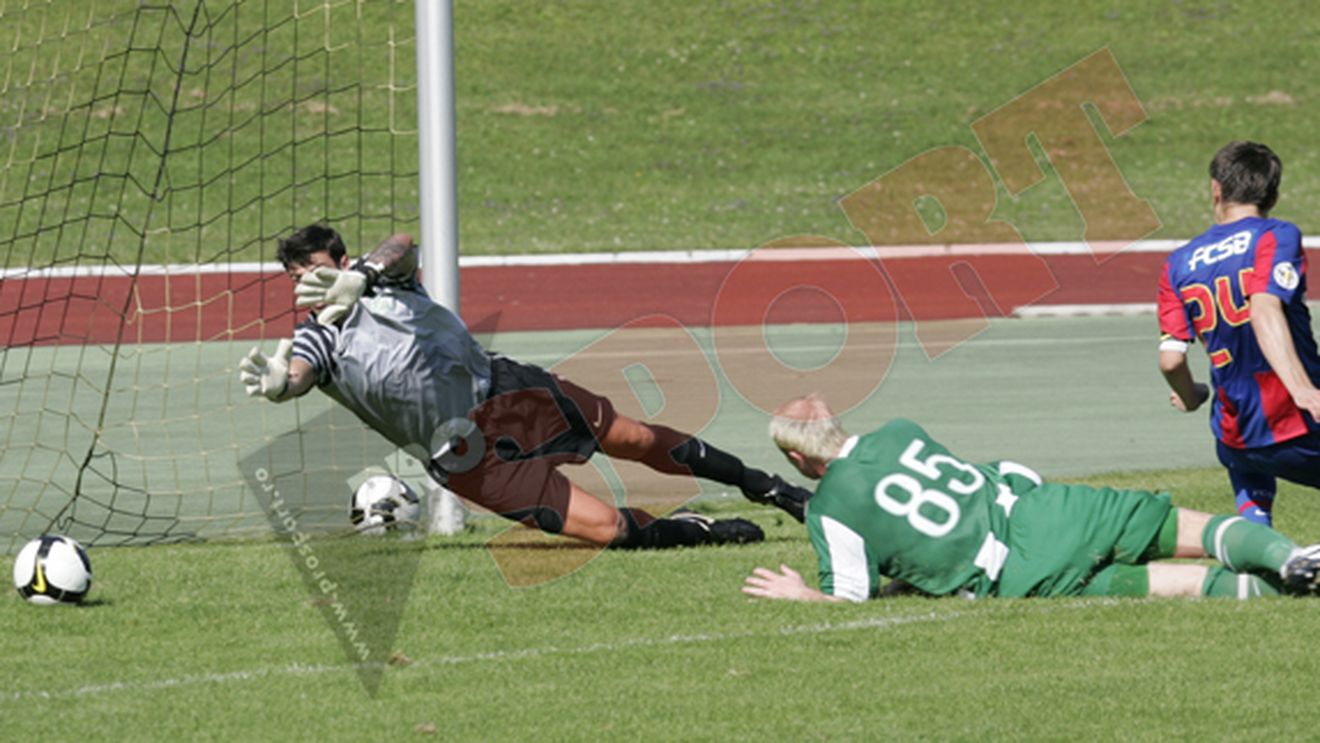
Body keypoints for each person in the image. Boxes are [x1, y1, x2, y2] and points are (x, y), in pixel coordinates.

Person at [238, 223, 811, 550]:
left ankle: (770, 488)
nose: (306, 283)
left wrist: (358, 276)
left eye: (314, 269)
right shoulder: (319, 337)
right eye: (296, 278)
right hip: (465, 460)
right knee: (607, 530)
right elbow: (300, 372)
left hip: (510, 394)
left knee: (634, 438)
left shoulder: (387, 282)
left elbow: (401, 242)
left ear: (337, 259)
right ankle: (699, 533)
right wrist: (279, 386)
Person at [742, 393, 1320, 602]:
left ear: (797, 459)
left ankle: (1286, 594)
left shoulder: (828, 509)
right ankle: (1290, 559)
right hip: (1043, 512)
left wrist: (799, 593)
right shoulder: (899, 430)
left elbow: (849, 596)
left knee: (1177, 586)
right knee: (1195, 532)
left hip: (1014, 576)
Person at [1157, 141, 1320, 526]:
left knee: (1243, 459)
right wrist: (1301, 389)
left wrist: (1191, 395)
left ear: (1216, 188)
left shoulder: (1178, 263)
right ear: (1273, 194)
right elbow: (1263, 308)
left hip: (1236, 438)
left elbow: (1171, 359)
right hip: (1297, 424)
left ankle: (1257, 549)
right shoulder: (1276, 235)